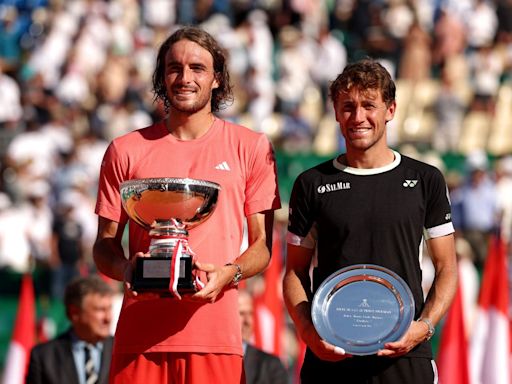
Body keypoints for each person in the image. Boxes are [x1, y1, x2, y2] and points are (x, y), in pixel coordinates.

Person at [92, 26, 280, 384]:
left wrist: (230, 273)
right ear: (162, 76)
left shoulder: (250, 147)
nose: (185, 78)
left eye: (197, 68)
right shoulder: (125, 150)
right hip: (140, 338)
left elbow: (262, 247)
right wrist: (126, 269)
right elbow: (104, 246)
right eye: (174, 68)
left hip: (215, 338)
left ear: (216, 79)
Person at [283, 58, 458, 383]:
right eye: (347, 106)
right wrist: (308, 332)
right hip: (331, 353)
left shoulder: (425, 179)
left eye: (369, 105)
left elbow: (447, 267)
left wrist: (423, 328)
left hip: (405, 353)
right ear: (335, 112)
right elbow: (294, 271)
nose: (358, 117)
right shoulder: (311, 183)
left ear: (390, 109)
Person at [26, 275, 114, 384]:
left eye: (109, 309)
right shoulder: (44, 357)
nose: (108, 318)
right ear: (74, 313)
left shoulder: (124, 352)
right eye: (100, 310)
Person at [238, 289, 288, 384]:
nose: (248, 322)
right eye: (241, 313)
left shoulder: (272, 366)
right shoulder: (215, 361)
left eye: (250, 314)